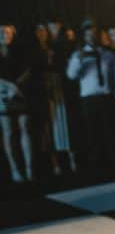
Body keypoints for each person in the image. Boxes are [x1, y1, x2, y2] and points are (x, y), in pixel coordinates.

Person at [66, 20, 115, 172]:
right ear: (84, 36)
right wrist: (80, 59)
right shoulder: (77, 55)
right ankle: (97, 167)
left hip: (106, 97)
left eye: (94, 34)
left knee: (110, 133)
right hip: (89, 100)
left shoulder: (108, 54)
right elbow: (71, 75)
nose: (91, 37)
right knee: (92, 134)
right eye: (88, 34)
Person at [30, 24, 75, 176]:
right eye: (38, 30)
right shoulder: (32, 51)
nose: (42, 33)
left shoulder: (55, 47)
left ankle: (71, 160)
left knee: (63, 123)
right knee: (48, 127)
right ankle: (55, 163)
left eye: (44, 30)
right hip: (42, 89)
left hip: (57, 84)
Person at [0, 25, 35, 182]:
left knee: (24, 128)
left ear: (13, 33)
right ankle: (15, 170)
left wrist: (17, 86)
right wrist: (9, 86)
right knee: (8, 131)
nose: (4, 34)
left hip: (20, 93)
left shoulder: (20, 50)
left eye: (7, 32)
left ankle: (29, 168)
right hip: (2, 94)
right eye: (1, 32)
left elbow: (28, 70)